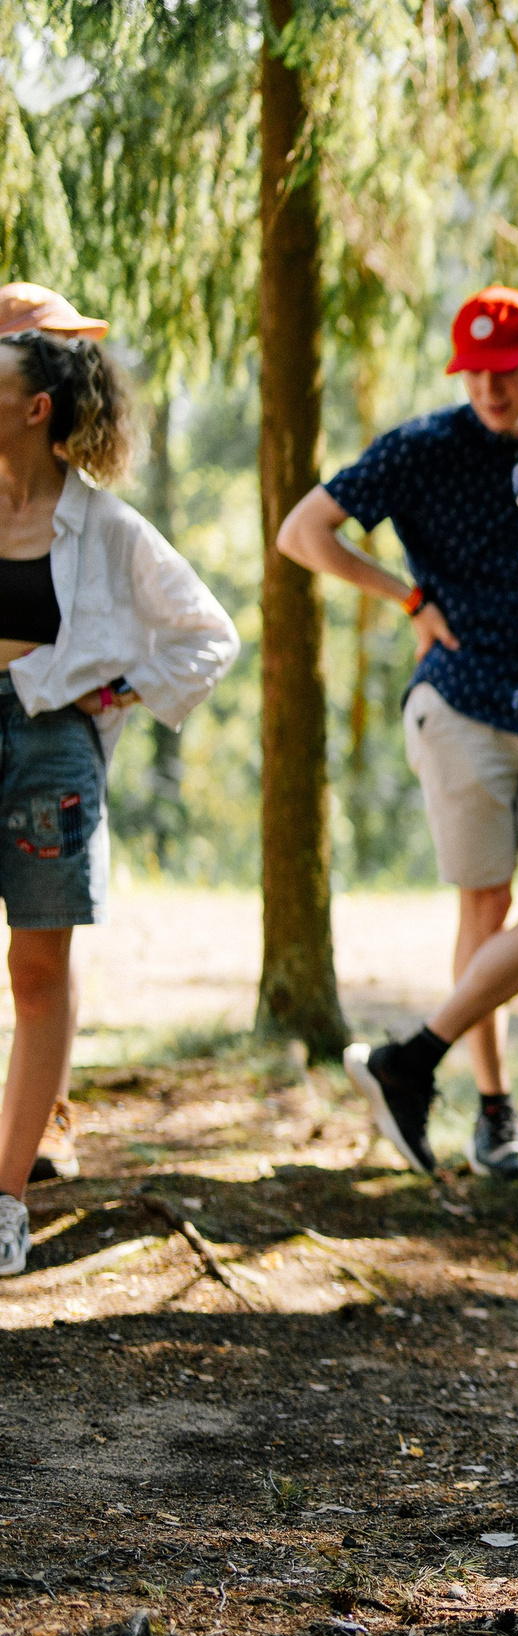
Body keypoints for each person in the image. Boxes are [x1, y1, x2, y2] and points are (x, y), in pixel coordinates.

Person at [278, 286, 518, 1181]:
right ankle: (493, 1108)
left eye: (505, 370)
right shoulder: (421, 448)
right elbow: (304, 532)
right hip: (460, 703)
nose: (489, 387)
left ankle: (410, 1059)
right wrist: (405, 596)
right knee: (483, 910)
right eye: (475, 372)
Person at [0, 329, 241, 1276]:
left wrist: (115, 687)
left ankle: (7, 1197)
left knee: (37, 972)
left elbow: (206, 634)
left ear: (36, 408)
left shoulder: (105, 527)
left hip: (51, 745)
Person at [0, 286, 111, 1187]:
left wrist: (112, 686)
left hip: (50, 745)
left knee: (41, 949)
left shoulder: (87, 498)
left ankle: (48, 1114)